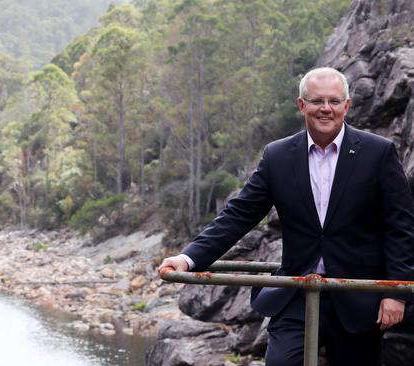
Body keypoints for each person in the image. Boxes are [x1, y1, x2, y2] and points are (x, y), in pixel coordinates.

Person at [157, 67, 414, 366]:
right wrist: (188, 259)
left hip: (357, 295)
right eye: (317, 101)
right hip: (296, 293)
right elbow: (238, 215)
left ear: (347, 105)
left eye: (334, 101)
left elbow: (401, 226)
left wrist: (396, 291)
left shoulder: (378, 152)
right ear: (302, 105)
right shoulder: (278, 156)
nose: (326, 109)